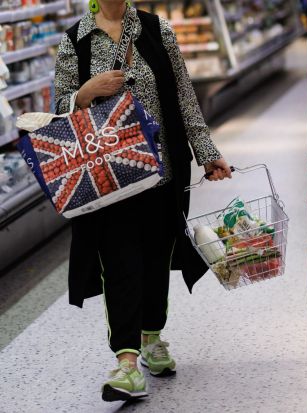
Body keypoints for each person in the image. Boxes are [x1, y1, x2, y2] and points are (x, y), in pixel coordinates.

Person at [54, 0, 232, 402]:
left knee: (155, 260)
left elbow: (184, 97)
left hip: (162, 173)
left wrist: (206, 151)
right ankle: (126, 363)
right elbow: (56, 110)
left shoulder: (157, 30)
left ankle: (152, 338)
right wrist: (83, 94)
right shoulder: (74, 43)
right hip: (109, 182)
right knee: (120, 266)